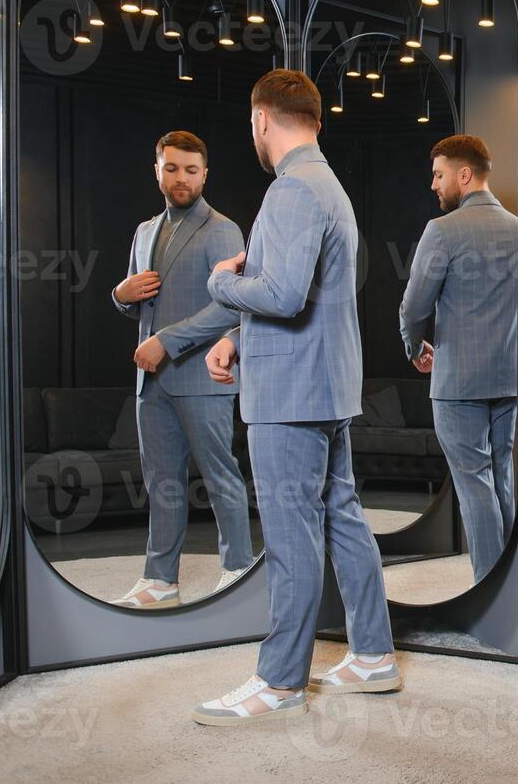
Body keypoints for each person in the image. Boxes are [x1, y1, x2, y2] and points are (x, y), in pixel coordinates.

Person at [193, 70, 396, 727]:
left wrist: (221, 287)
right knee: (341, 514)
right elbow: (296, 288)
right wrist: (235, 337)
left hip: (291, 395)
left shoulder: (291, 190)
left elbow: (280, 296)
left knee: (290, 536)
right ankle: (371, 657)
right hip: (325, 384)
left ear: (261, 120)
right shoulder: (326, 185)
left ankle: (279, 680)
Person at [111, 131, 252, 610]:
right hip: (151, 383)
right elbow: (140, 304)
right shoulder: (144, 231)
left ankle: (237, 572)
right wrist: (121, 296)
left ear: (205, 174)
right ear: (157, 170)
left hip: (201, 378)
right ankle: (160, 579)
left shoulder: (223, 230)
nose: (182, 178)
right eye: (172, 168)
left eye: (192, 170)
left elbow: (229, 309)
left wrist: (166, 343)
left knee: (221, 478)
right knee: (161, 482)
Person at [399, 135, 518, 583]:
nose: (434, 184)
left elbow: (413, 307)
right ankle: (511, 587)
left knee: (474, 486)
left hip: (458, 384)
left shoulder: (442, 231)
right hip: (509, 380)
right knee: (501, 479)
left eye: (439, 174)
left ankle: (490, 590)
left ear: (464, 175)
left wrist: (414, 347)